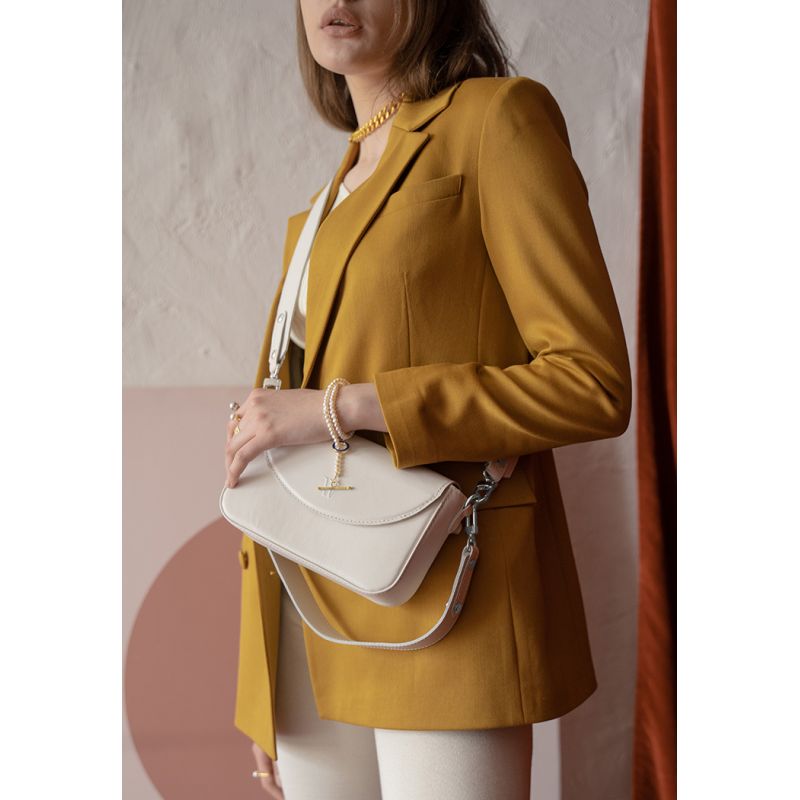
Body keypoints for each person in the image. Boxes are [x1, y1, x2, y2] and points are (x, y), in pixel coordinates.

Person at [224, 1, 632, 798]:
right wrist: (258, 681)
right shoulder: (331, 195)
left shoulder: (496, 120)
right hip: (309, 604)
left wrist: (345, 407)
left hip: (449, 596)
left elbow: (590, 381)